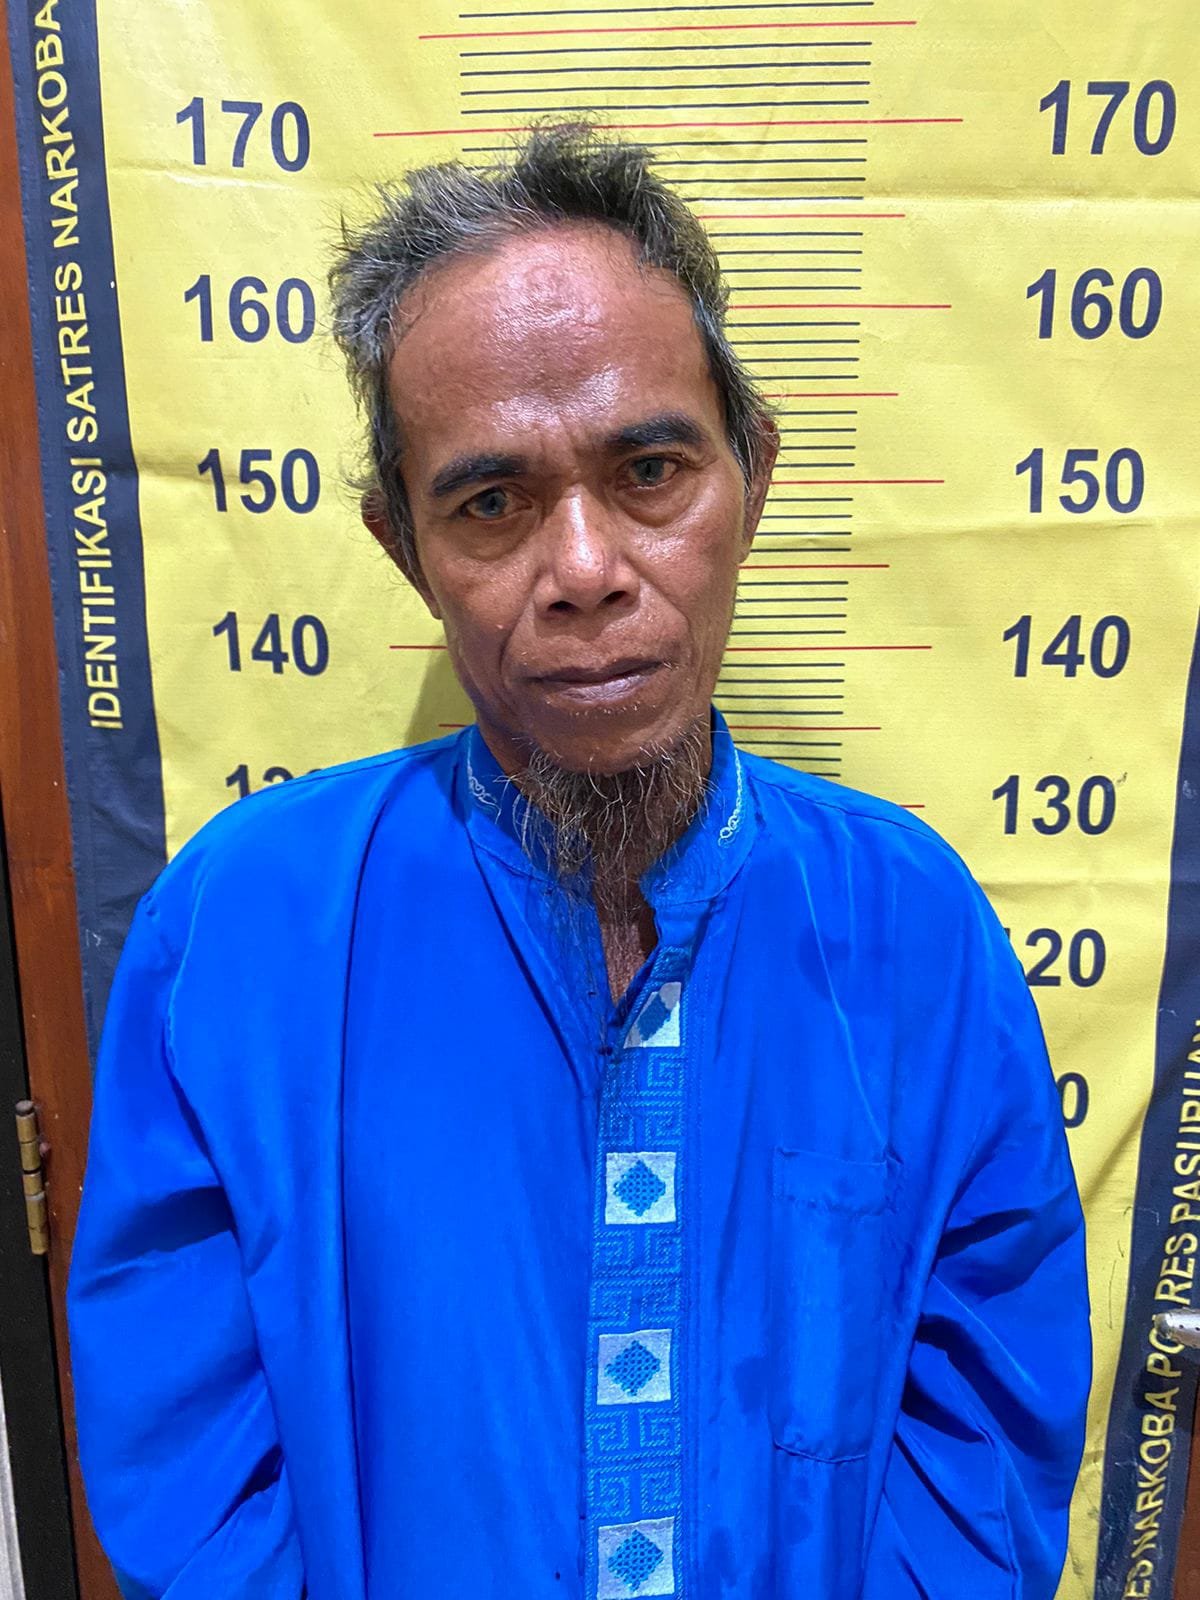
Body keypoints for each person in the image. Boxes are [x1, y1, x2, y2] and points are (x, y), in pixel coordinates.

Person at [68, 123, 1090, 1599]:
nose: (588, 570)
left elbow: (985, 1426)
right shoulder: (242, 934)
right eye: (490, 503)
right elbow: (186, 1461)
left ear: (751, 477)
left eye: (651, 470)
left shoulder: (912, 930)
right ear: (405, 547)